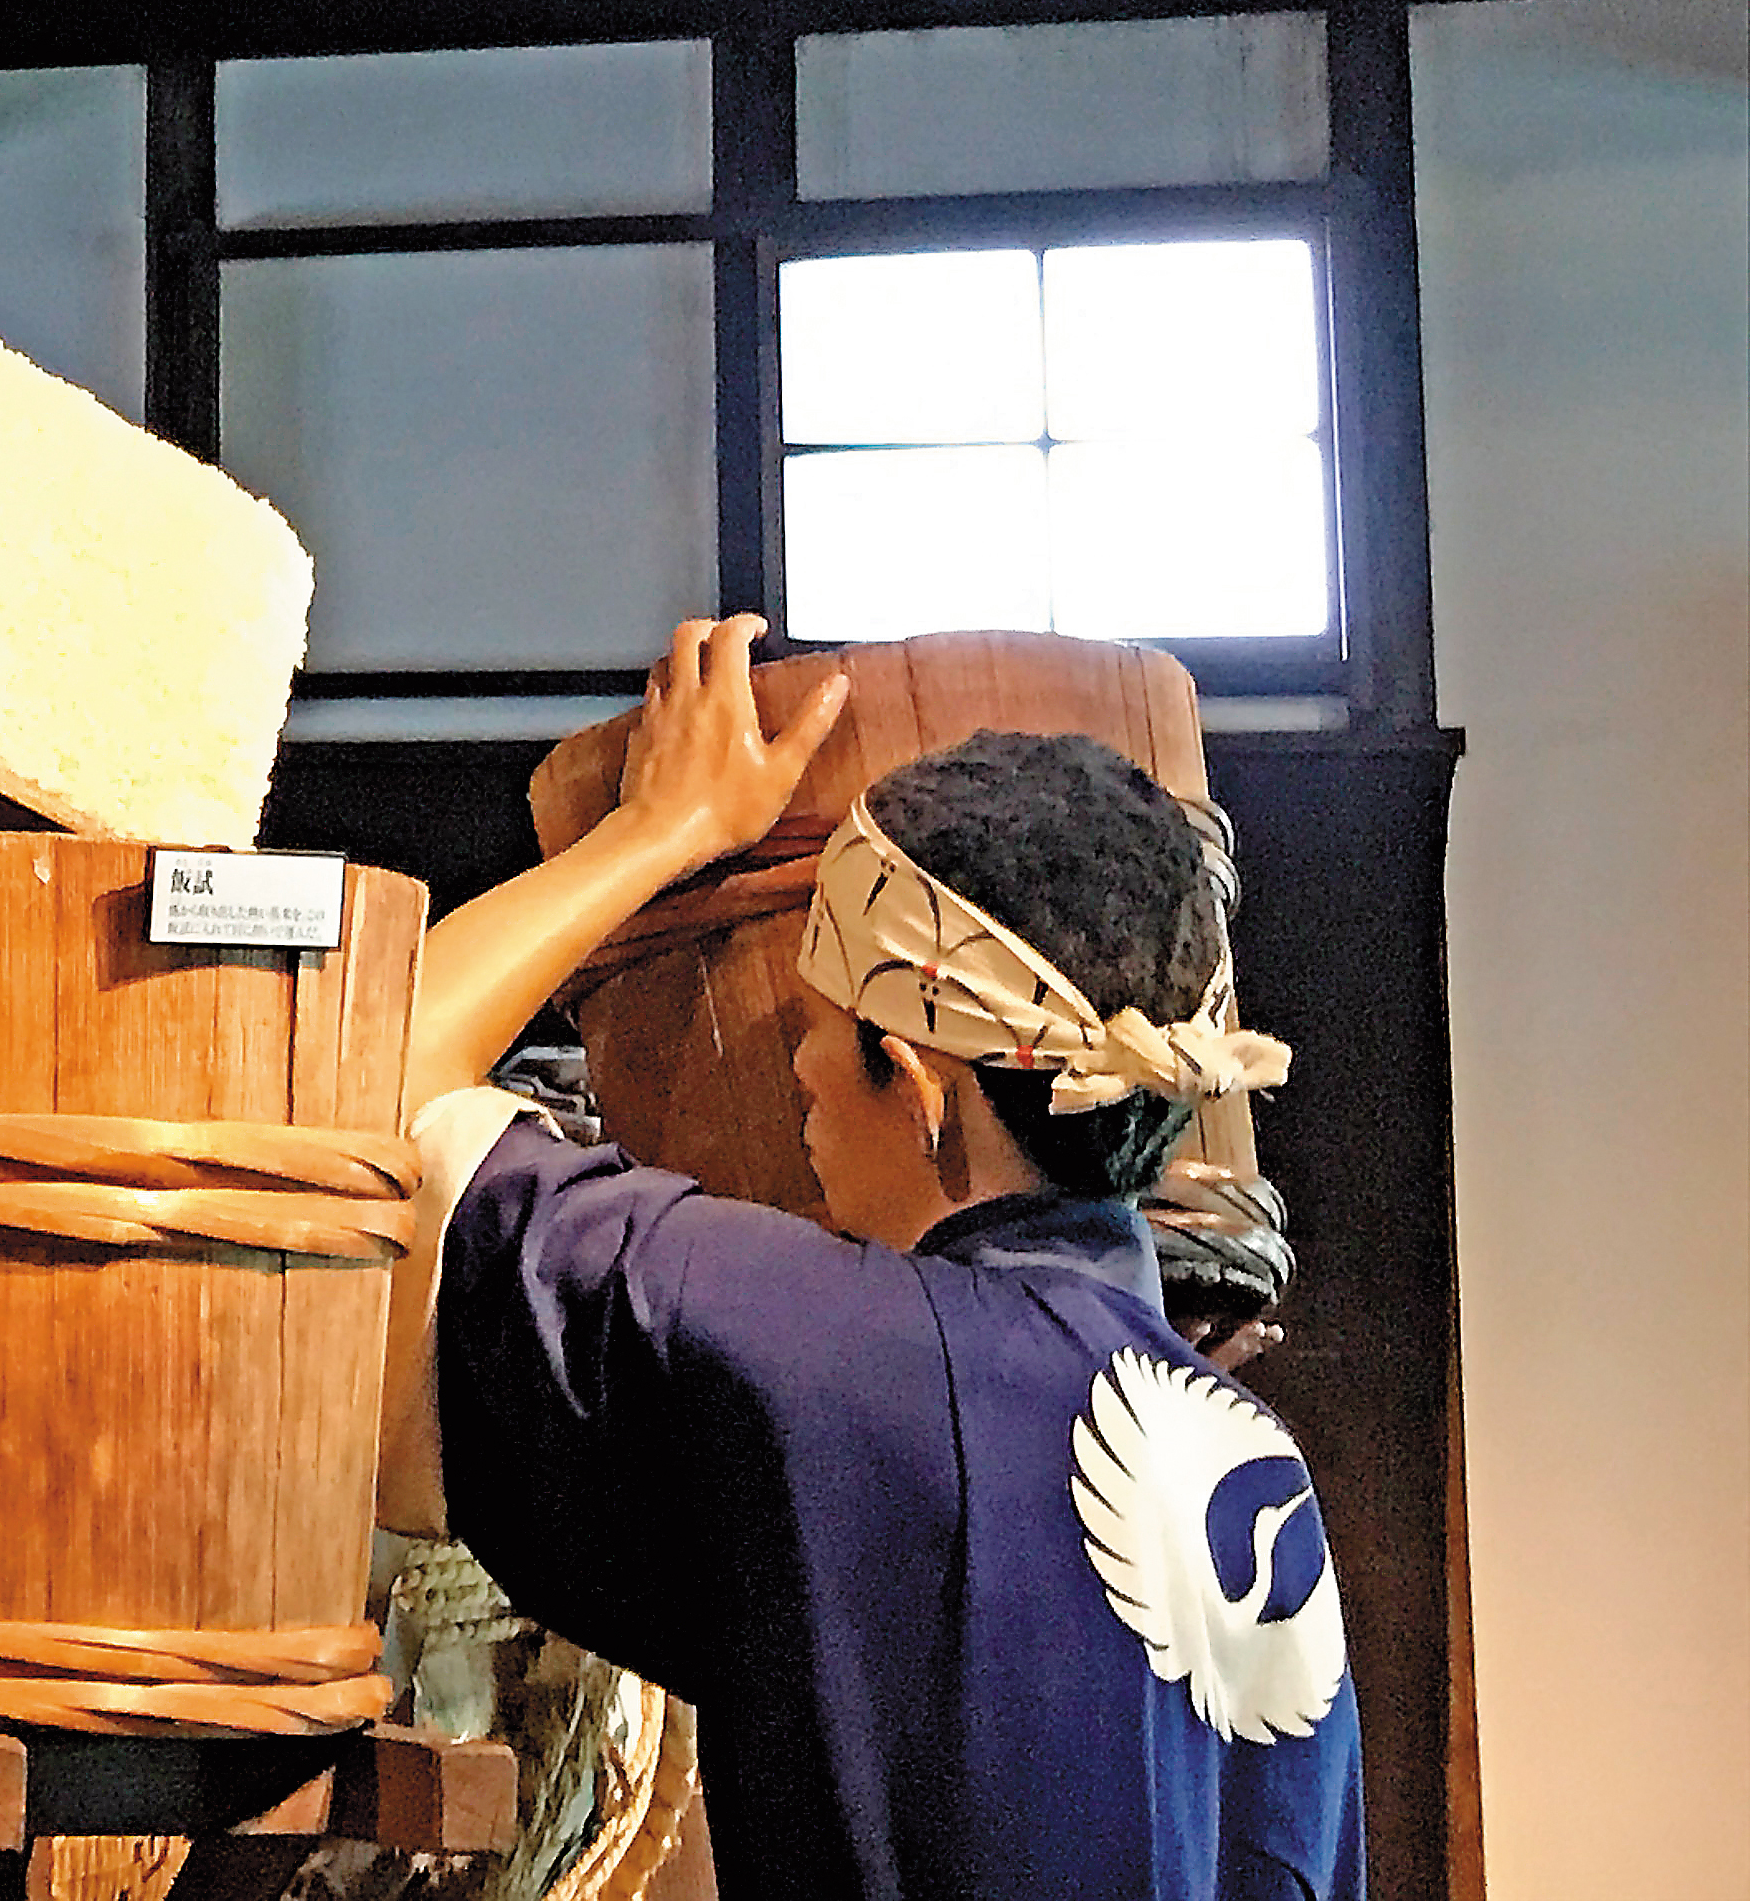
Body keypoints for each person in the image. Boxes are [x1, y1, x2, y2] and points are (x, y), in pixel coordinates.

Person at [383, 618, 1365, 1899]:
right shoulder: (1252, 1455)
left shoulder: (814, 1351)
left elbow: (370, 1100)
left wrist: (661, 831)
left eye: (819, 1024)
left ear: (913, 1080)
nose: (795, 1067)